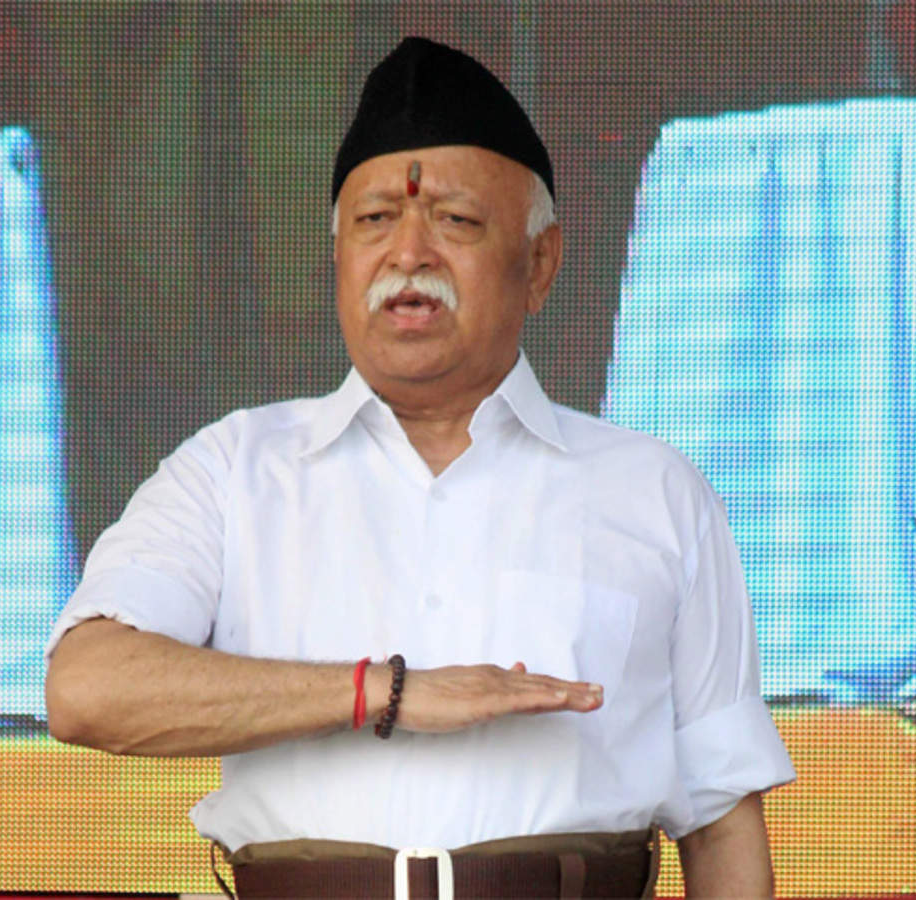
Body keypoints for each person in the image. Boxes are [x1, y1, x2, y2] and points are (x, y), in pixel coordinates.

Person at [45, 36, 795, 899]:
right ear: (337, 258)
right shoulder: (234, 470)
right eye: (374, 221)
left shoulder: (653, 490)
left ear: (539, 263)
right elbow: (87, 688)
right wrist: (381, 693)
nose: (409, 253)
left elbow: (722, 822)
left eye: (456, 221)